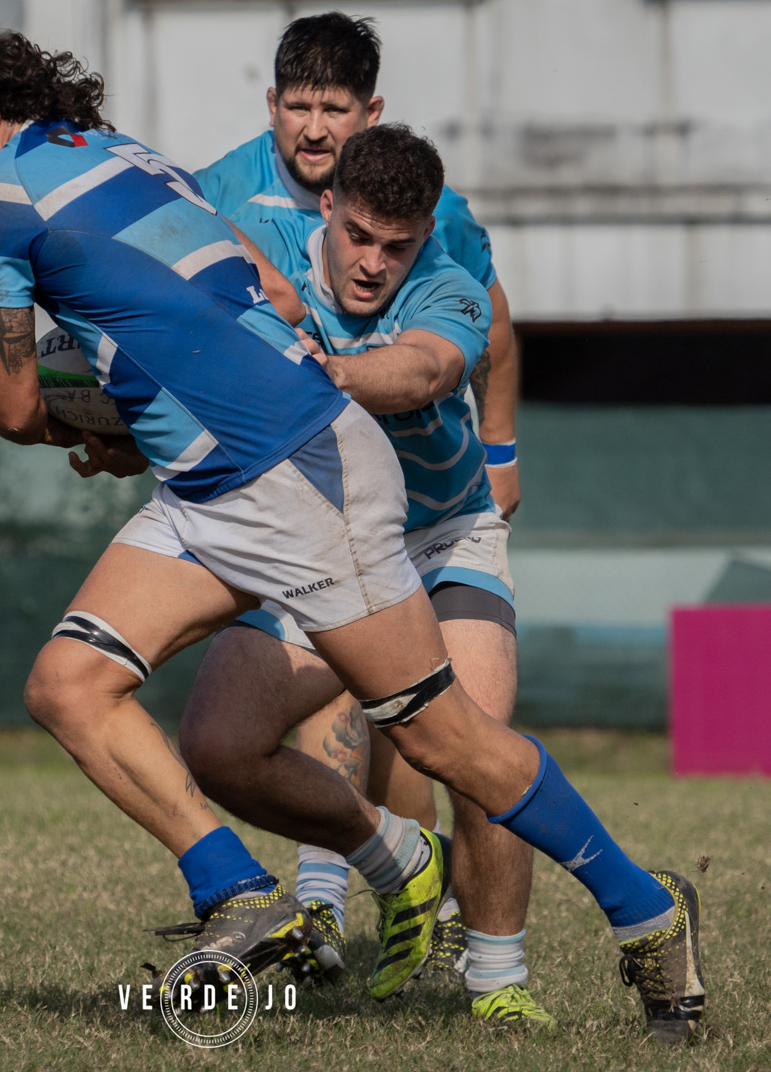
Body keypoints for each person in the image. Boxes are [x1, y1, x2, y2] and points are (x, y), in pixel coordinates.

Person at [0, 21, 704, 1044]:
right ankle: (243, 887)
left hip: (295, 481)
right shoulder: (133, 157)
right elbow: (263, 292)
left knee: (443, 737)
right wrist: (143, 417)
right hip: (216, 482)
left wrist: (73, 415)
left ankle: (647, 910)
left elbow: (10, 409)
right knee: (69, 682)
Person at [181, 124, 546, 1026]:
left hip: (443, 538)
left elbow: (424, 369)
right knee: (221, 745)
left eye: (398, 244)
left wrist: (326, 372)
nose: (375, 262)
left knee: (479, 749)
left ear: (423, 235)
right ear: (329, 207)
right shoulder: (271, 269)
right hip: (322, 542)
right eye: (359, 235)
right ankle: (398, 866)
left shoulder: (448, 286)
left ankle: (498, 982)